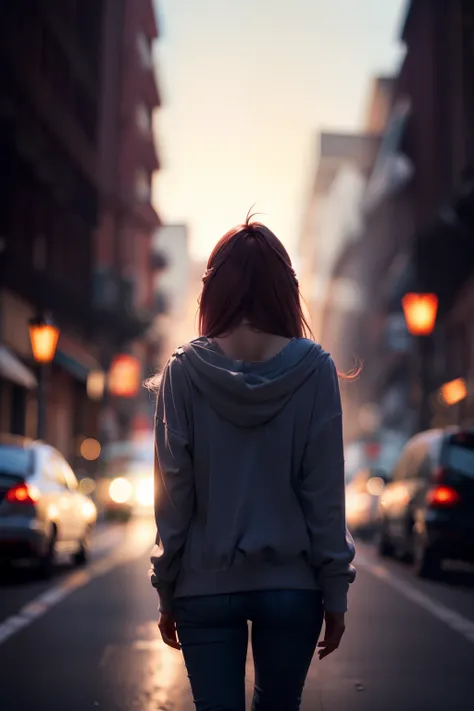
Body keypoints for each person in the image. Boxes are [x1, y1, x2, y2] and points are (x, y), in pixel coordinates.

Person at [147, 217, 356, 711]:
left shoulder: (183, 371)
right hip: (293, 587)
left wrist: (166, 588)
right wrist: (335, 593)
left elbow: (173, 499)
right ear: (286, 289)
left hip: (204, 585)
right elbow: (324, 494)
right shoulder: (315, 369)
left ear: (213, 291)